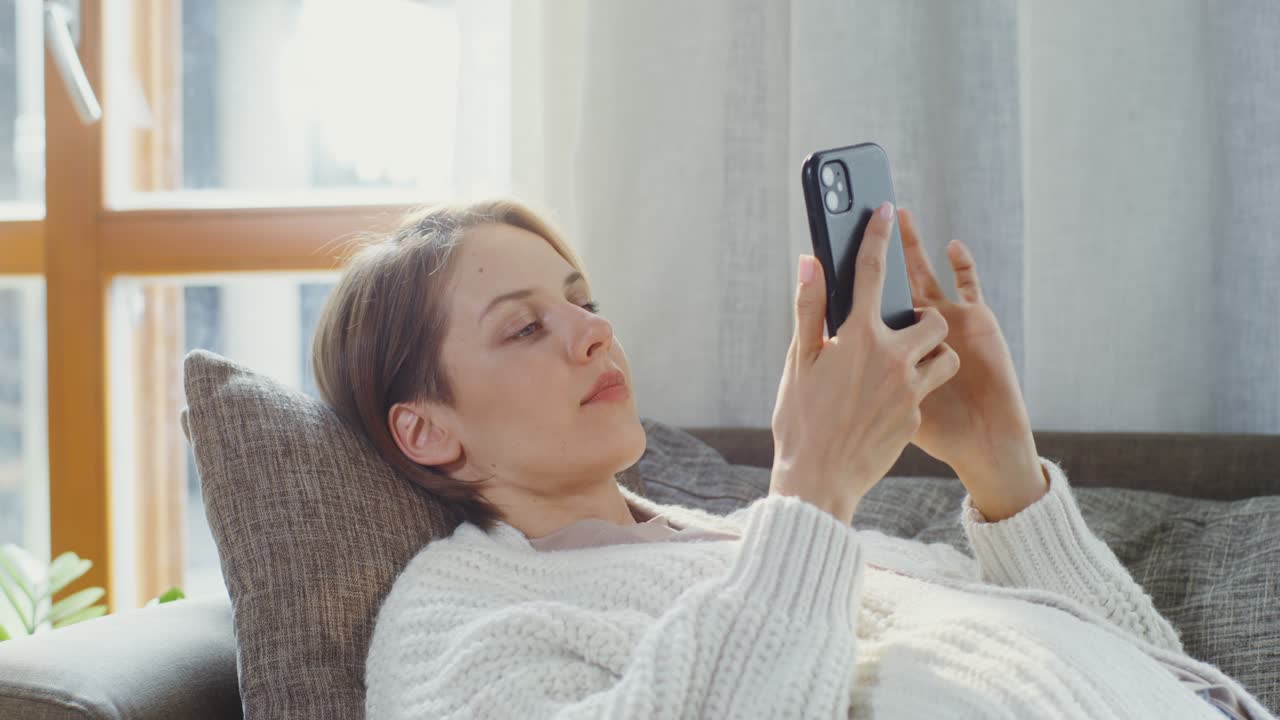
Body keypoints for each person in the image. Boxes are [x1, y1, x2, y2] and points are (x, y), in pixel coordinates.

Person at [311, 198, 1271, 719]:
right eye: (524, 328)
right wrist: (810, 494)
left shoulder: (736, 545)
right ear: (427, 430)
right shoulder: (456, 621)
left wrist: (1004, 473)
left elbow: (1155, 676)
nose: (594, 334)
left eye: (582, 299)